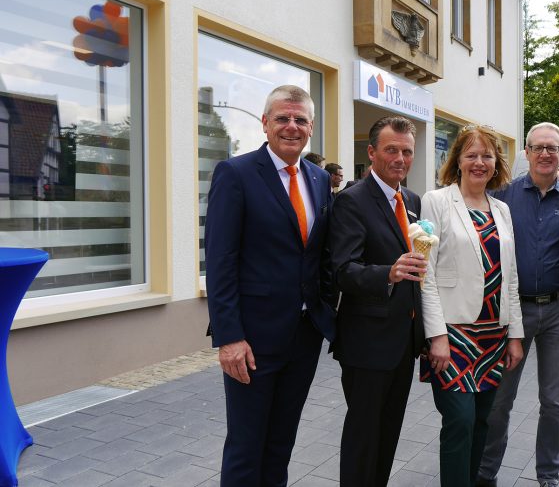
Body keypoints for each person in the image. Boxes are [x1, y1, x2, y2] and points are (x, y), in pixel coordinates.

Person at [205, 85, 337, 486]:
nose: (291, 127)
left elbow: (319, 255)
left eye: (300, 119)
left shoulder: (319, 179)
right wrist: (229, 337)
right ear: (265, 123)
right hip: (253, 340)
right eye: (282, 118)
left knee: (281, 443)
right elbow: (220, 260)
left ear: (311, 127)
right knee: (246, 447)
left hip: (303, 336)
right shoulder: (236, 174)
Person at [477, 123, 559, 487]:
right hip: (512, 311)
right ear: (526, 151)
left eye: (553, 148)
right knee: (501, 399)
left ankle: (548, 477)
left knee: (555, 401)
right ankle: (485, 473)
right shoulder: (501, 196)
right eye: (538, 147)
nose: (545, 154)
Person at [420, 125, 524, 487]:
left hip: (493, 335)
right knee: (459, 421)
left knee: (483, 420)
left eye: (487, 156)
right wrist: (436, 336)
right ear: (458, 161)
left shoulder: (503, 209)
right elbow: (426, 275)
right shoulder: (435, 201)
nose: (479, 162)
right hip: (453, 334)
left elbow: (510, 277)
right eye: (471, 155)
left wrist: (515, 335)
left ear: (496, 164)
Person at [329, 116, 429, 487]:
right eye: (391, 150)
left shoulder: (413, 200)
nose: (400, 158)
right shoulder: (352, 201)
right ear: (372, 152)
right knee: (363, 439)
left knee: (388, 435)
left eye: (407, 151)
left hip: (403, 341)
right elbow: (343, 271)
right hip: (367, 343)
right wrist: (387, 272)